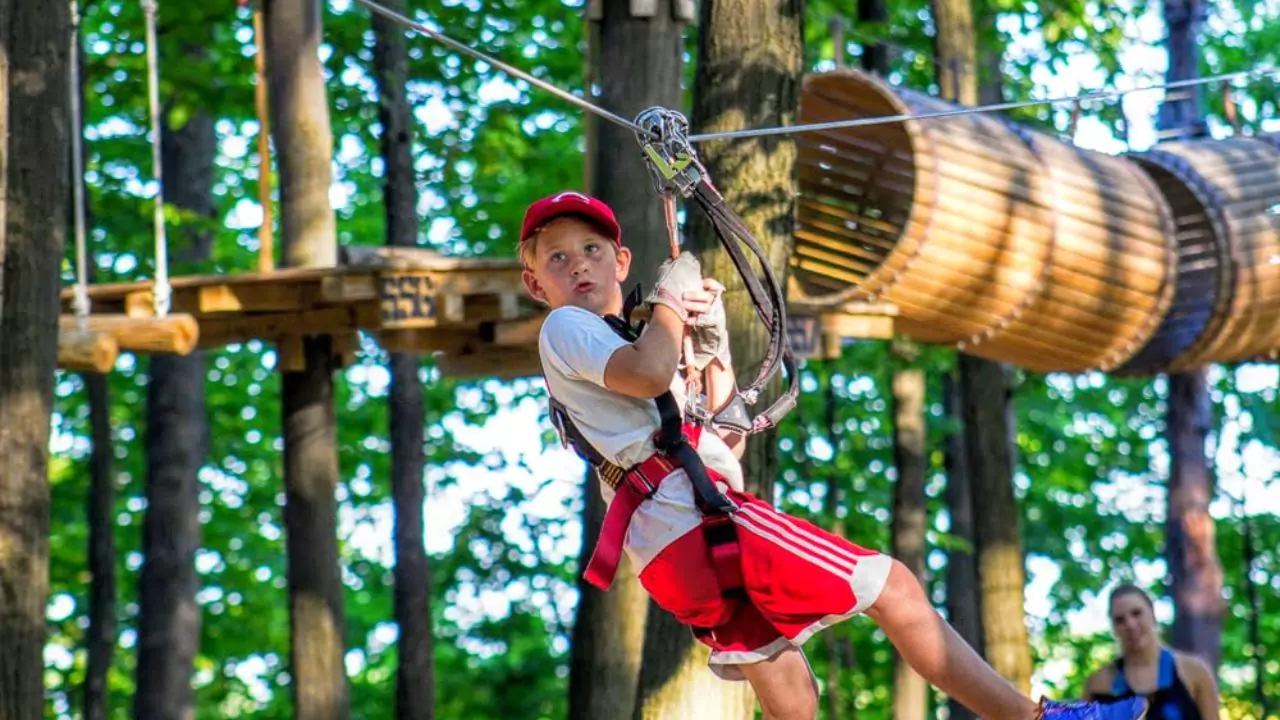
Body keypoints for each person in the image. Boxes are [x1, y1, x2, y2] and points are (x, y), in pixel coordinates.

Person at [519, 189, 1149, 720]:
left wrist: (711, 350)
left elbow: (723, 438)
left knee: (793, 695)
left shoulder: (620, 340)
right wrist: (668, 301)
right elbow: (653, 373)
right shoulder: (567, 327)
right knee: (894, 587)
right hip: (692, 520)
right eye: (558, 258)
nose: (579, 265)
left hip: (680, 536)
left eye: (592, 250)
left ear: (620, 259)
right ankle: (1036, 719)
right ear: (534, 282)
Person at [1083, 584, 1219, 720]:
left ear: (1153, 614)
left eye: (1136, 613)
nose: (1130, 624)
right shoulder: (1098, 683)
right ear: (1114, 629)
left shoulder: (1194, 672)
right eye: (1120, 620)